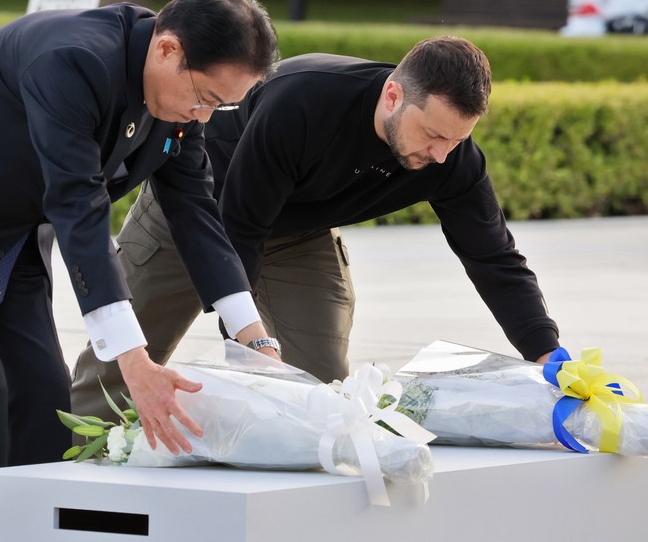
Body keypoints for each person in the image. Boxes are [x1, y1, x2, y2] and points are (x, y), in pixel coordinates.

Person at [0, 0, 279, 542]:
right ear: (167, 50)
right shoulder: (74, 59)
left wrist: (255, 340)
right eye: (205, 96)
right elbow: (79, 209)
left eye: (221, 105)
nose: (204, 115)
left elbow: (193, 209)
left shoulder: (177, 98)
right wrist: (134, 364)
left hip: (7, 224)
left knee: (46, 402)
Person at [71, 36, 561, 421]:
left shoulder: (452, 161)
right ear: (393, 95)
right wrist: (247, 345)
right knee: (116, 374)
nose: (440, 155)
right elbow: (239, 228)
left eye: (456, 140)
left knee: (322, 392)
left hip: (300, 232)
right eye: (433, 134)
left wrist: (548, 353)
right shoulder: (303, 101)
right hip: (200, 213)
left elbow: (494, 258)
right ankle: (55, 475)